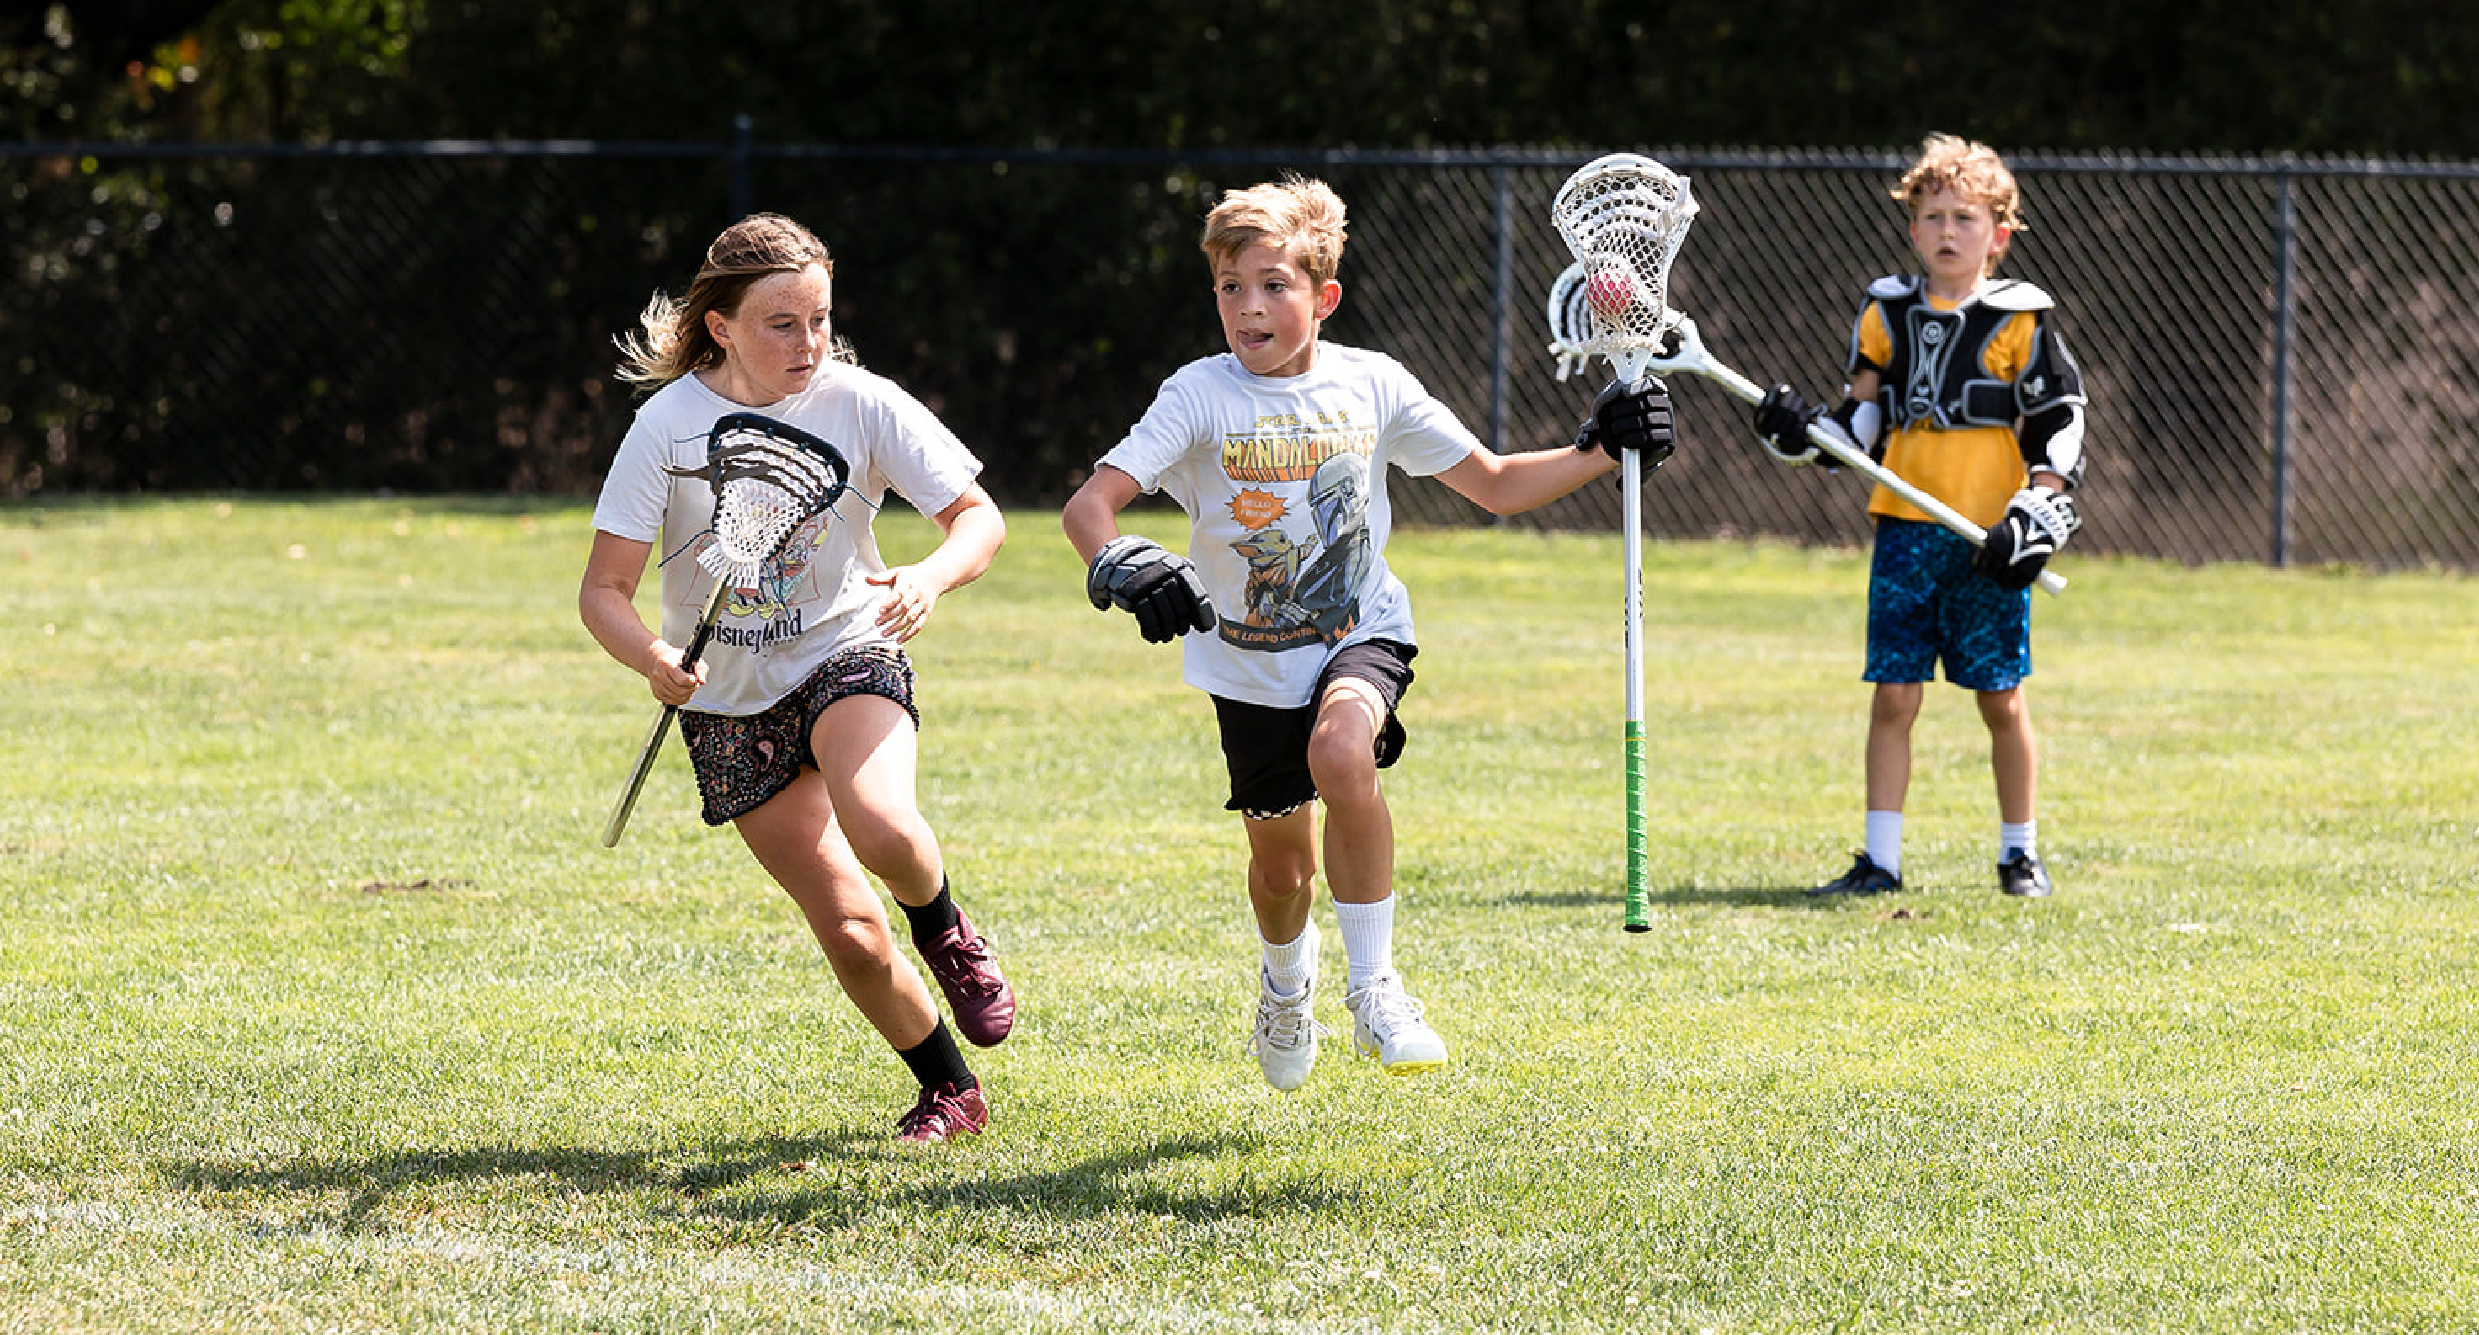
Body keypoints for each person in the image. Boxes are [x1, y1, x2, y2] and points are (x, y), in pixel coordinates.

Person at [1060, 175, 1677, 1090]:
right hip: (1247, 664)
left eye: (1273, 285)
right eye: (1231, 287)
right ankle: (1285, 983)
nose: (1248, 306)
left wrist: (1603, 447)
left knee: (1341, 752)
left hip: (1361, 630)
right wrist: (1120, 561)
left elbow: (1496, 484)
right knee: (1281, 875)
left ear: (1325, 297)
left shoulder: (1372, 384)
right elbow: (1090, 506)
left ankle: (1376, 987)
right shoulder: (1197, 395)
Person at [579, 212, 1016, 1144]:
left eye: (819, 319)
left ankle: (943, 927)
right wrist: (651, 657)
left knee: (881, 821)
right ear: (722, 327)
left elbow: (978, 518)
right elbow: (604, 591)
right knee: (851, 931)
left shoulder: (861, 402)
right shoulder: (667, 427)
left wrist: (930, 577)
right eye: (782, 324)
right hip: (727, 703)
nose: (808, 343)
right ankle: (950, 1090)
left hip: (844, 648)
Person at [1749, 134, 2089, 900]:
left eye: (1965, 218)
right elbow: (1859, 428)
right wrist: (1802, 433)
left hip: (1988, 538)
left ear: (1999, 234)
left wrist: (2040, 510)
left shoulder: (2021, 320)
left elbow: (2059, 420)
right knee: (1895, 694)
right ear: (1912, 229)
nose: (1947, 232)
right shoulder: (1887, 312)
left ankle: (2020, 854)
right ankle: (1881, 860)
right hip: (1905, 528)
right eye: (1933, 216)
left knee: (2000, 697)